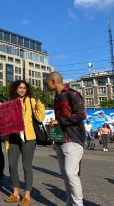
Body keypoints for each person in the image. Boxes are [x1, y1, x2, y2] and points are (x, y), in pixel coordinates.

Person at [46, 72, 86, 206]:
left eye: (47, 82)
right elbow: (61, 120)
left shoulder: (72, 94)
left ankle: (78, 204)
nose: (46, 84)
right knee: (66, 176)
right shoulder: (57, 97)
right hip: (60, 141)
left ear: (53, 81)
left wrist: (60, 121)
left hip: (73, 140)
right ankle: (70, 203)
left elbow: (81, 115)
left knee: (71, 173)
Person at [4, 80, 45, 206]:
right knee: (11, 165)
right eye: (19, 87)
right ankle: (15, 193)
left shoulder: (31, 100)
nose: (22, 89)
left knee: (27, 166)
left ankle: (27, 195)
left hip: (29, 137)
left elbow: (39, 118)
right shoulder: (10, 103)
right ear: (15, 89)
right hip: (13, 137)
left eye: (24, 88)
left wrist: (40, 103)